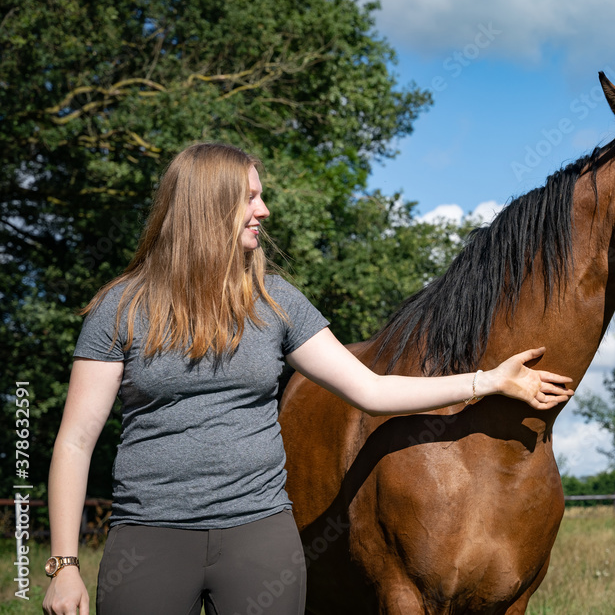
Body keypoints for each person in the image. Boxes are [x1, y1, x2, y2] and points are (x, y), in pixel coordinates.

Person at [42, 142, 574, 615]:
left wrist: (489, 381)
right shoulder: (121, 308)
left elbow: (372, 390)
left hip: (258, 536)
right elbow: (75, 441)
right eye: (250, 197)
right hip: (150, 536)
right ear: (208, 205)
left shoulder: (277, 302)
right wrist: (64, 564)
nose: (263, 210)